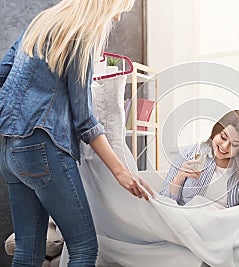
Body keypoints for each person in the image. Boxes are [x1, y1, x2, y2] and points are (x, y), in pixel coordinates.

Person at [0, 0, 153, 266]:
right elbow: (85, 119)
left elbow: (2, 77)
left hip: (10, 151)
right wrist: (122, 172)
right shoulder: (82, 35)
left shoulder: (39, 24)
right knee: (84, 248)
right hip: (44, 149)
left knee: (27, 251)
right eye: (118, 10)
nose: (117, 19)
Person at [160, 110, 239, 207]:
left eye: (234, 144)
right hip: (188, 221)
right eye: (223, 137)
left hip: (224, 224)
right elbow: (165, 203)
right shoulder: (188, 154)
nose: (224, 146)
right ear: (216, 131)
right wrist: (178, 179)